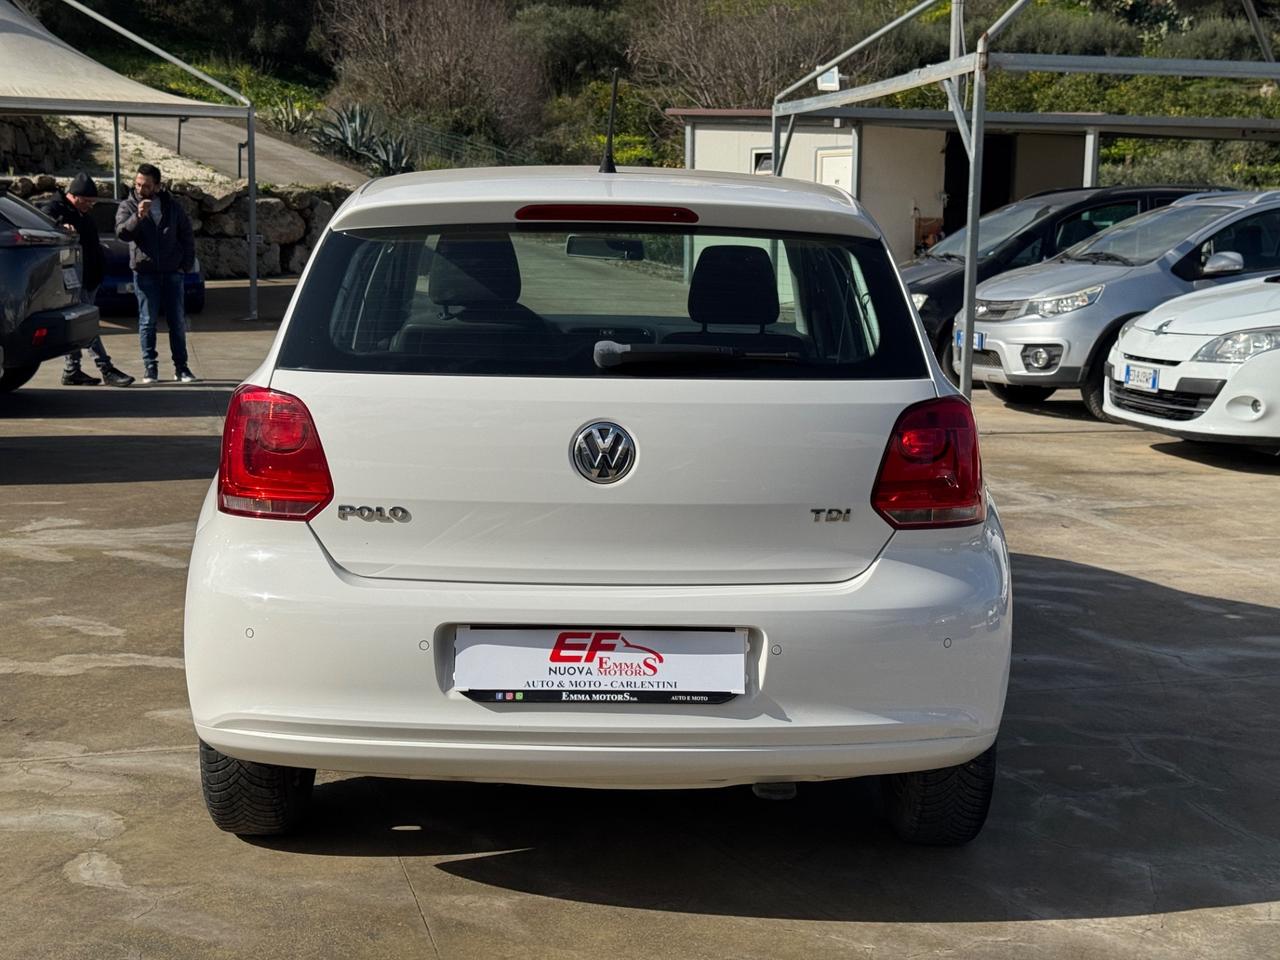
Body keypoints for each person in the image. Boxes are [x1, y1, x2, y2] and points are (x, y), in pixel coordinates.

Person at [40, 173, 135, 386]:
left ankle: (72, 370)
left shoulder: (80, 213)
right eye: (88, 201)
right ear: (74, 196)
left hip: (90, 278)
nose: (91, 206)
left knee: (76, 327)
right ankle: (106, 368)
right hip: (73, 280)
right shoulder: (54, 210)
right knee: (87, 326)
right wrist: (60, 227)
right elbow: (45, 226)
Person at [115, 163, 198, 383]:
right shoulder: (128, 205)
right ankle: (150, 368)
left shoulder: (172, 206)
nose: (141, 189)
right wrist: (138, 216)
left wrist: (185, 265)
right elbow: (122, 233)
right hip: (145, 273)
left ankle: (182, 368)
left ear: (157, 186)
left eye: (146, 185)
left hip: (172, 272)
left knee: (177, 321)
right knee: (147, 321)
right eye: (138, 184)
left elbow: (186, 235)